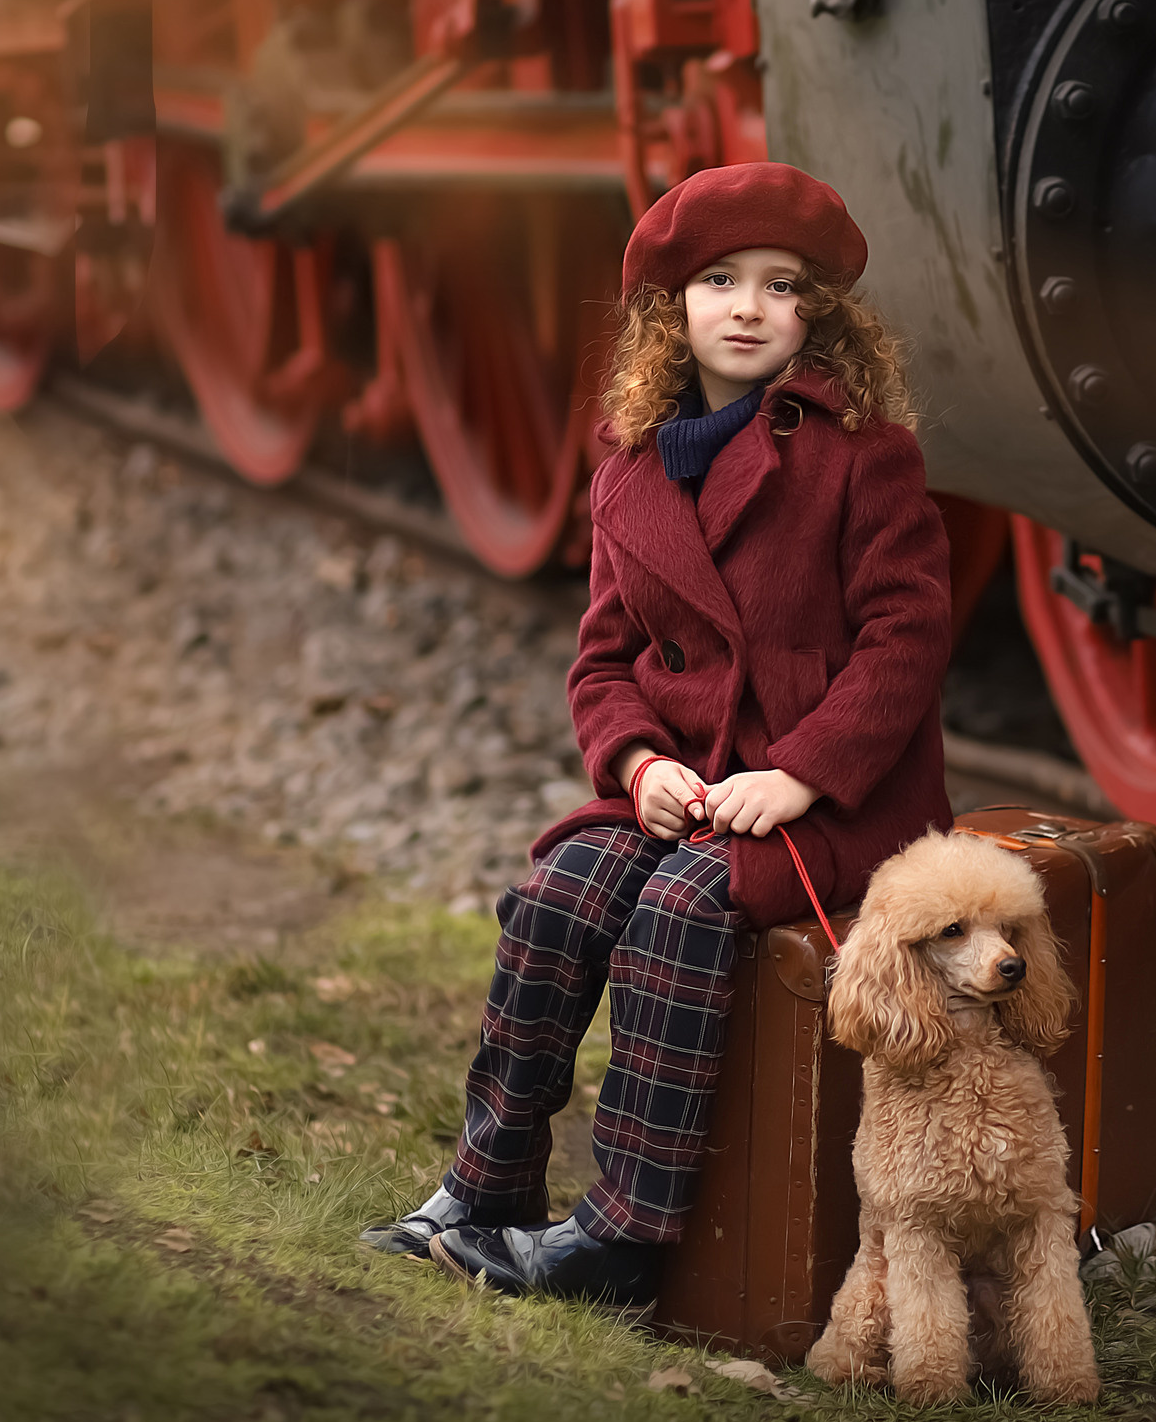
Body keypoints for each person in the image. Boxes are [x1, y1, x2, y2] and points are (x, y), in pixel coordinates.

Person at [360, 161, 956, 1308]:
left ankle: (621, 1238)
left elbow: (907, 638)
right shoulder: (630, 461)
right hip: (693, 788)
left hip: (829, 801)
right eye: (719, 280)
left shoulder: (859, 452)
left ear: (815, 314)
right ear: (668, 309)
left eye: (780, 287)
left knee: (680, 913)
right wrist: (638, 765)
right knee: (565, 889)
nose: (746, 306)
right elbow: (603, 659)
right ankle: (487, 1183)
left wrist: (800, 773)